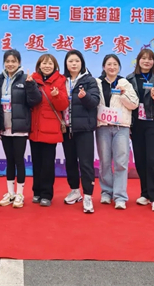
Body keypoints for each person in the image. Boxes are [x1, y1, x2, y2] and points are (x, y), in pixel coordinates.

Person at [0, 49, 41, 208]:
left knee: (19, 160)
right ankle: (10, 193)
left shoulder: (25, 79)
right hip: (4, 127)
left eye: (13, 61)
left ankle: (20, 194)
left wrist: (31, 86)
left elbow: (35, 100)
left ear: (19, 62)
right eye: (7, 61)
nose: (10, 64)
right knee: (9, 160)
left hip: (20, 128)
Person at [127, 48, 154, 212]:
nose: (146, 61)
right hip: (137, 124)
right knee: (140, 160)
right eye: (143, 58)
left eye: (150, 59)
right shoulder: (130, 79)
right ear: (138, 60)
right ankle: (145, 193)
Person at [95, 54, 139, 209]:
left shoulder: (124, 83)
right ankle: (106, 192)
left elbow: (134, 104)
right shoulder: (97, 82)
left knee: (121, 162)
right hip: (103, 127)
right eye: (109, 64)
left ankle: (120, 196)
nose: (112, 67)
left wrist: (123, 94)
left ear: (119, 67)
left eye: (115, 64)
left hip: (121, 127)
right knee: (105, 162)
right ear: (104, 67)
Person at [62, 50, 100, 213]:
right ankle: (75, 190)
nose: (74, 64)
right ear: (66, 64)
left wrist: (85, 97)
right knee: (70, 161)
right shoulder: (62, 81)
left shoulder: (89, 80)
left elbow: (95, 102)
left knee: (85, 163)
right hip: (66, 128)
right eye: (71, 61)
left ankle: (88, 196)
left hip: (84, 129)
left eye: (77, 61)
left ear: (82, 63)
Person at [29, 54, 68, 207]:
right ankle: (36, 192)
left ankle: (46, 194)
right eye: (44, 63)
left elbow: (63, 105)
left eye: (50, 63)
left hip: (50, 128)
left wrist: (57, 96)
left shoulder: (60, 81)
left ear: (55, 66)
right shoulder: (32, 80)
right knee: (36, 162)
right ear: (39, 65)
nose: (47, 66)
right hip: (35, 127)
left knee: (47, 164)